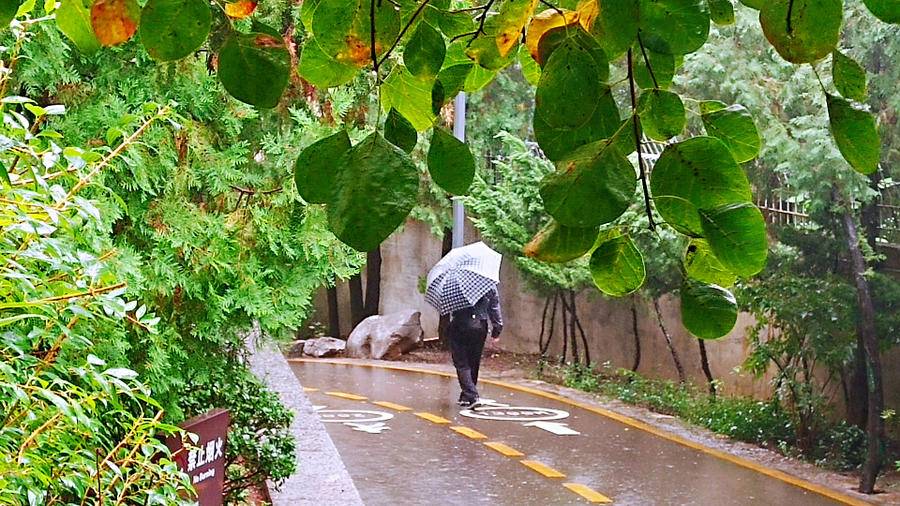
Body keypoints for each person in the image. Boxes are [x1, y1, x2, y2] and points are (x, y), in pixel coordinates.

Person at [449, 286, 503, 408]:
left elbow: (449, 307)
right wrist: (497, 329)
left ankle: (472, 395)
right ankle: (466, 395)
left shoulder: (455, 284)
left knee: (462, 363)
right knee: (474, 361)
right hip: (479, 325)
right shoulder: (487, 284)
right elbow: (494, 307)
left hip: (460, 324)